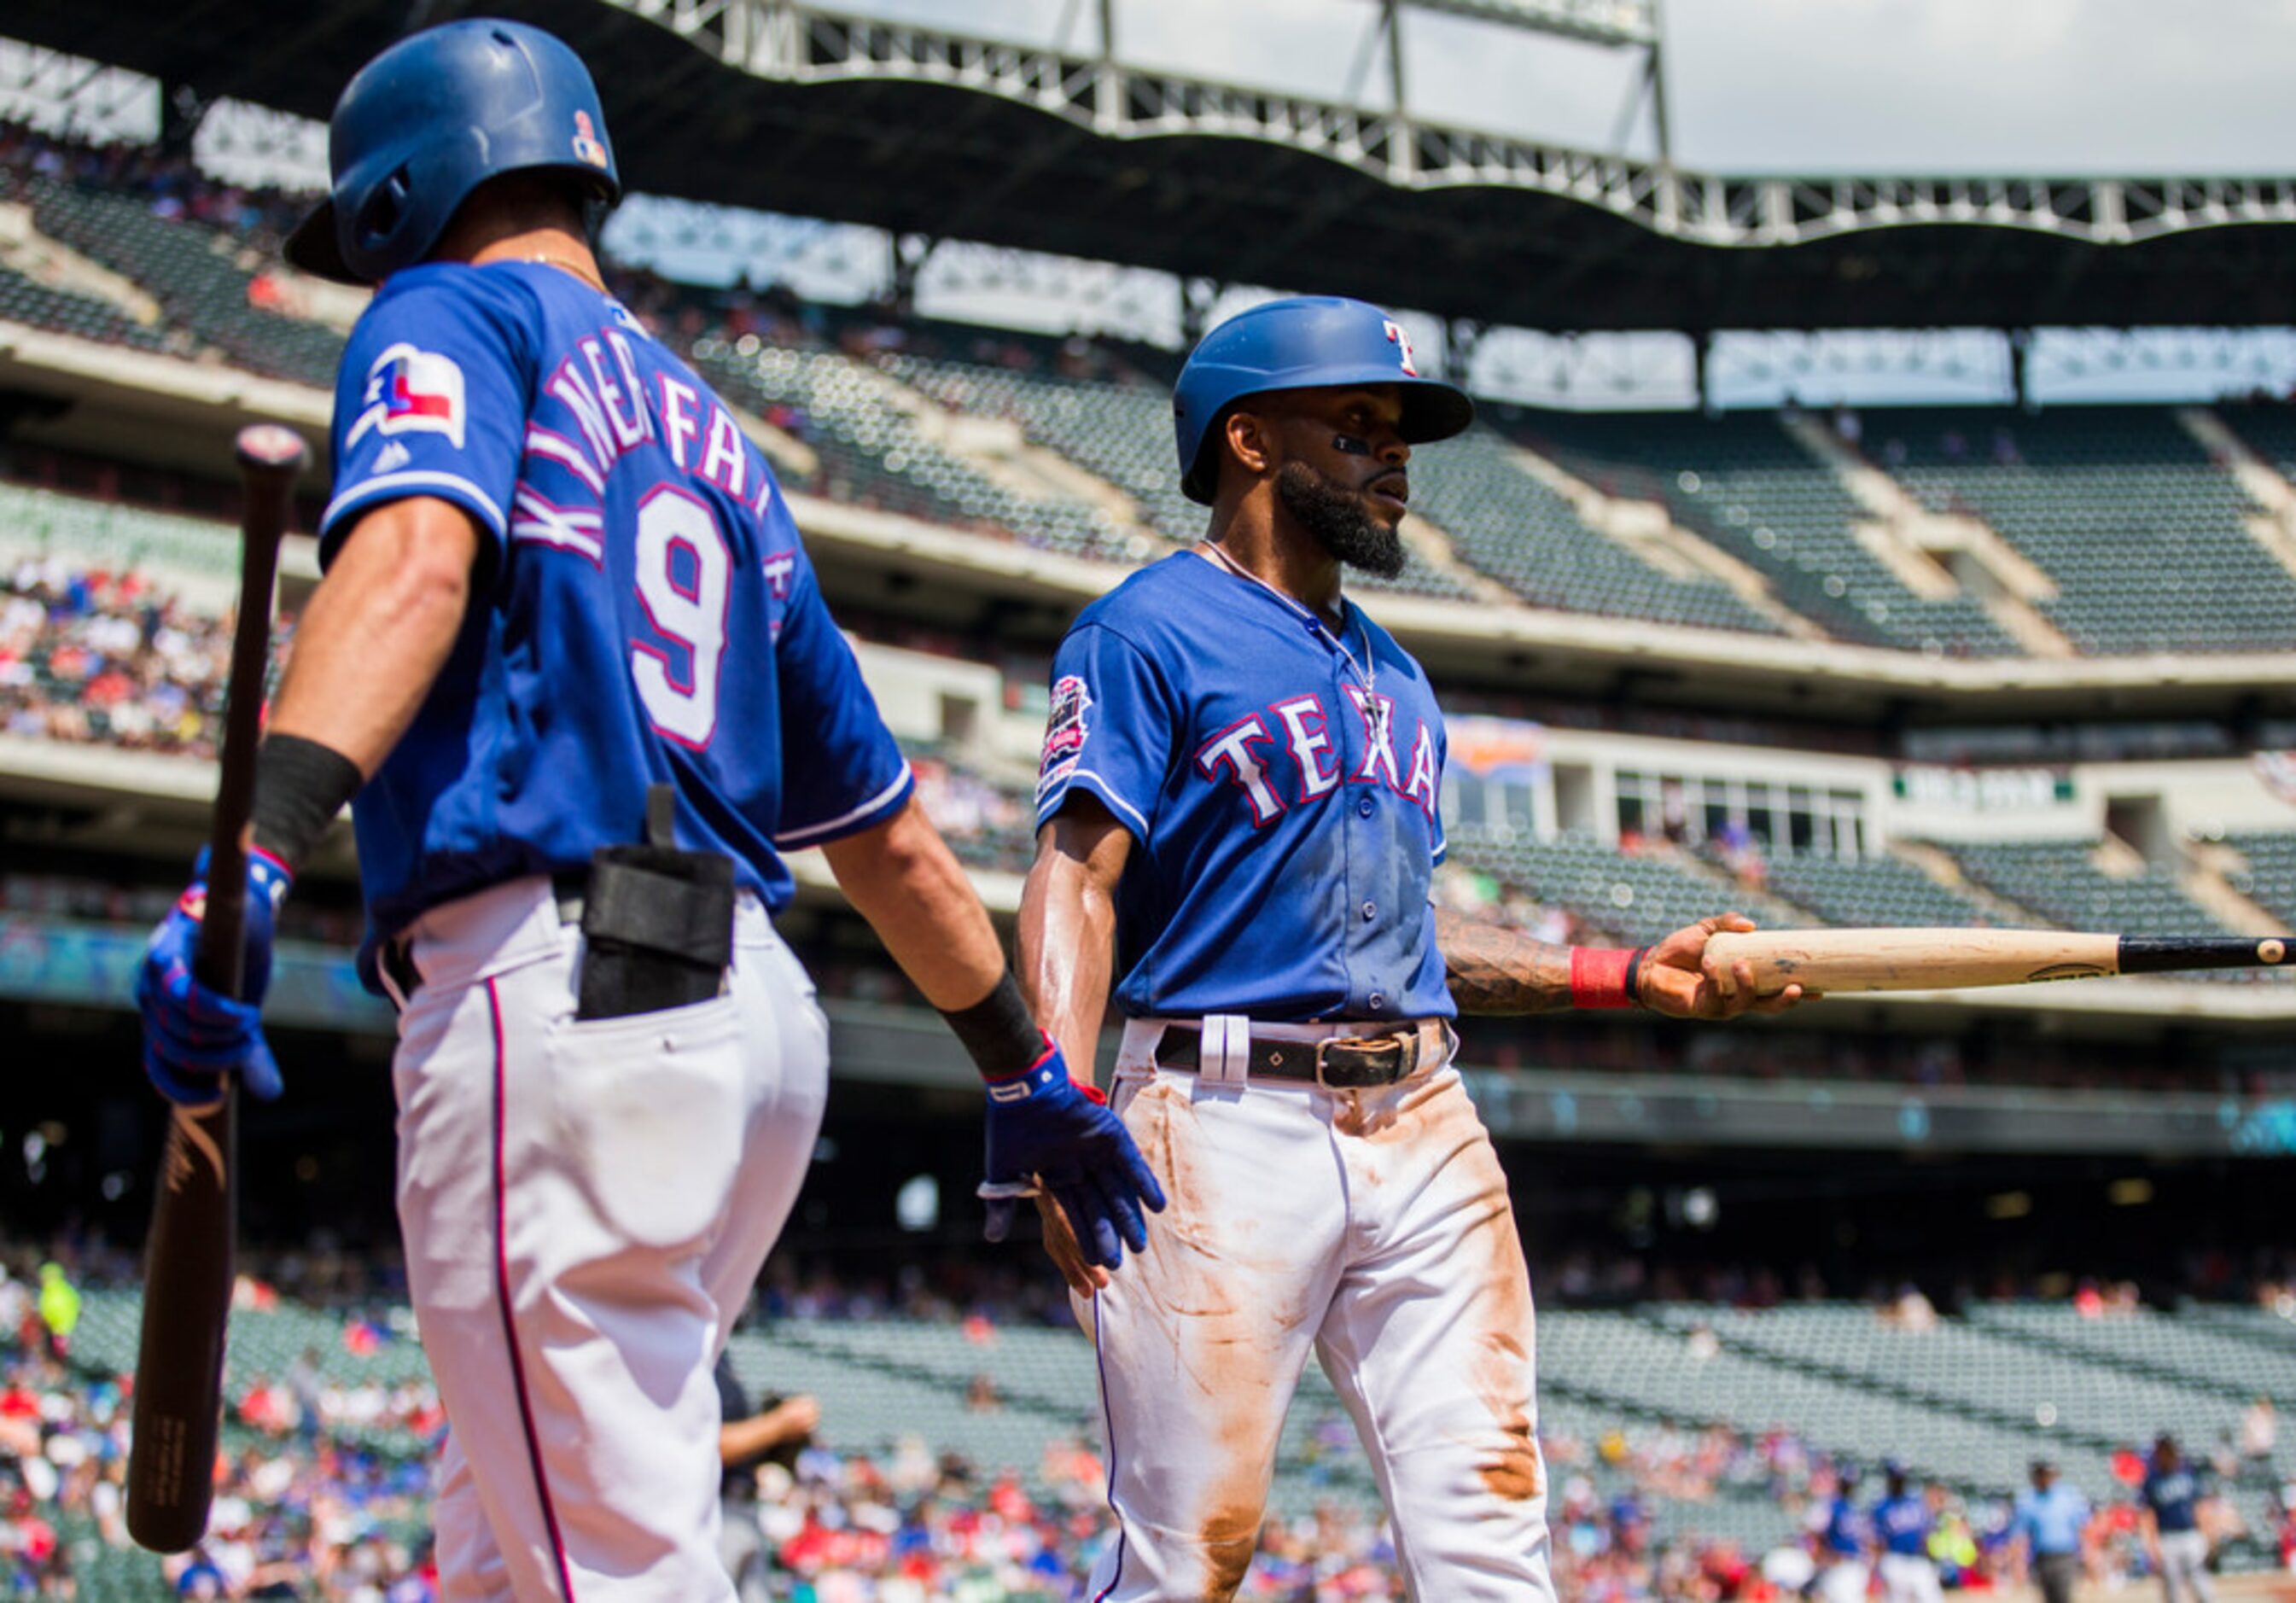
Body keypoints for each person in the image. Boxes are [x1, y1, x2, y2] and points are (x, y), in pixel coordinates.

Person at [134, 19, 1159, 1599]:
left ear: (402, 194)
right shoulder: (723, 449)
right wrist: (1024, 1063)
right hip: (749, 1022)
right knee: (499, 1543)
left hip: (564, 997)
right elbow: (884, 833)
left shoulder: (451, 309)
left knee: (610, 1567)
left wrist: (254, 851)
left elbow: (409, 563)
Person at [1014, 294, 1803, 1601]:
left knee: (1492, 1540)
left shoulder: (1398, 679)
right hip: (1217, 1120)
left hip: (1422, 1111)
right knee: (1184, 1563)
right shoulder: (1144, 629)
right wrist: (1054, 1096)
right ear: (1251, 441)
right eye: (1360, 424)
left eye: (1400, 431)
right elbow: (1075, 877)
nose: (1395, 458)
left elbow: (1411, 929)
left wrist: (1619, 970)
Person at [714, 1350, 818, 1603]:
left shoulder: (719, 1352)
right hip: (713, 1513)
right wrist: (780, 1424)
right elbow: (704, 1447)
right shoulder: (688, 1351)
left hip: (742, 1507)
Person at [2142, 1434, 2217, 1603]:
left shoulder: (2188, 1474)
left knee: (2200, 1583)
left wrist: (2206, 1534)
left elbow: (2199, 1506)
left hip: (2190, 1534)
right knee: (2171, 1588)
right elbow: (2148, 1514)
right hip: (2167, 1537)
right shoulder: (2152, 1480)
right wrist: (2152, 1545)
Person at [2013, 1459, 2091, 1603]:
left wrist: (2087, 1556)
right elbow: (2020, 1535)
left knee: (2063, 1596)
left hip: (2065, 1555)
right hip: (2042, 1558)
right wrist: (2019, 1564)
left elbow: (2082, 1529)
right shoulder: (2028, 1500)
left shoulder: (2068, 1497)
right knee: (2048, 1597)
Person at [1871, 1462, 1942, 1603]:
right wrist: (1878, 1567)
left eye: (1901, 1477)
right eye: (1896, 1478)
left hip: (1917, 1559)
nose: (1899, 1481)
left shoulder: (1916, 1503)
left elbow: (1926, 1533)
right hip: (1895, 1558)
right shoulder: (1881, 1506)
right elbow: (1878, 1541)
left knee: (1931, 1597)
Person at [1811, 1464, 1870, 1603]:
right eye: (1846, 1483)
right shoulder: (1831, 1506)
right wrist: (1822, 1554)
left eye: (1851, 1484)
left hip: (1855, 1563)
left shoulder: (1857, 1508)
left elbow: (1867, 1538)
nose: (1849, 1487)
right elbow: (1815, 1531)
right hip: (1838, 1563)